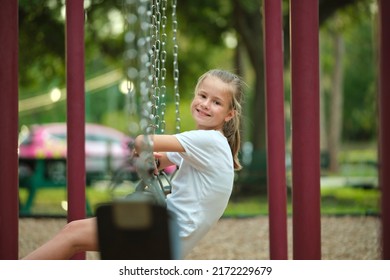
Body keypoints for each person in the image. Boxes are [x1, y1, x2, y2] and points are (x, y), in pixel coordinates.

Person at [23, 69, 245, 260]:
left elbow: (142, 141)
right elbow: (161, 159)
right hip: (168, 233)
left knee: (72, 235)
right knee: (74, 232)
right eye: (203, 96)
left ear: (229, 114)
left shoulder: (208, 141)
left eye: (216, 102)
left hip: (163, 234)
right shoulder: (209, 143)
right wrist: (152, 161)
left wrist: (142, 147)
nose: (205, 105)